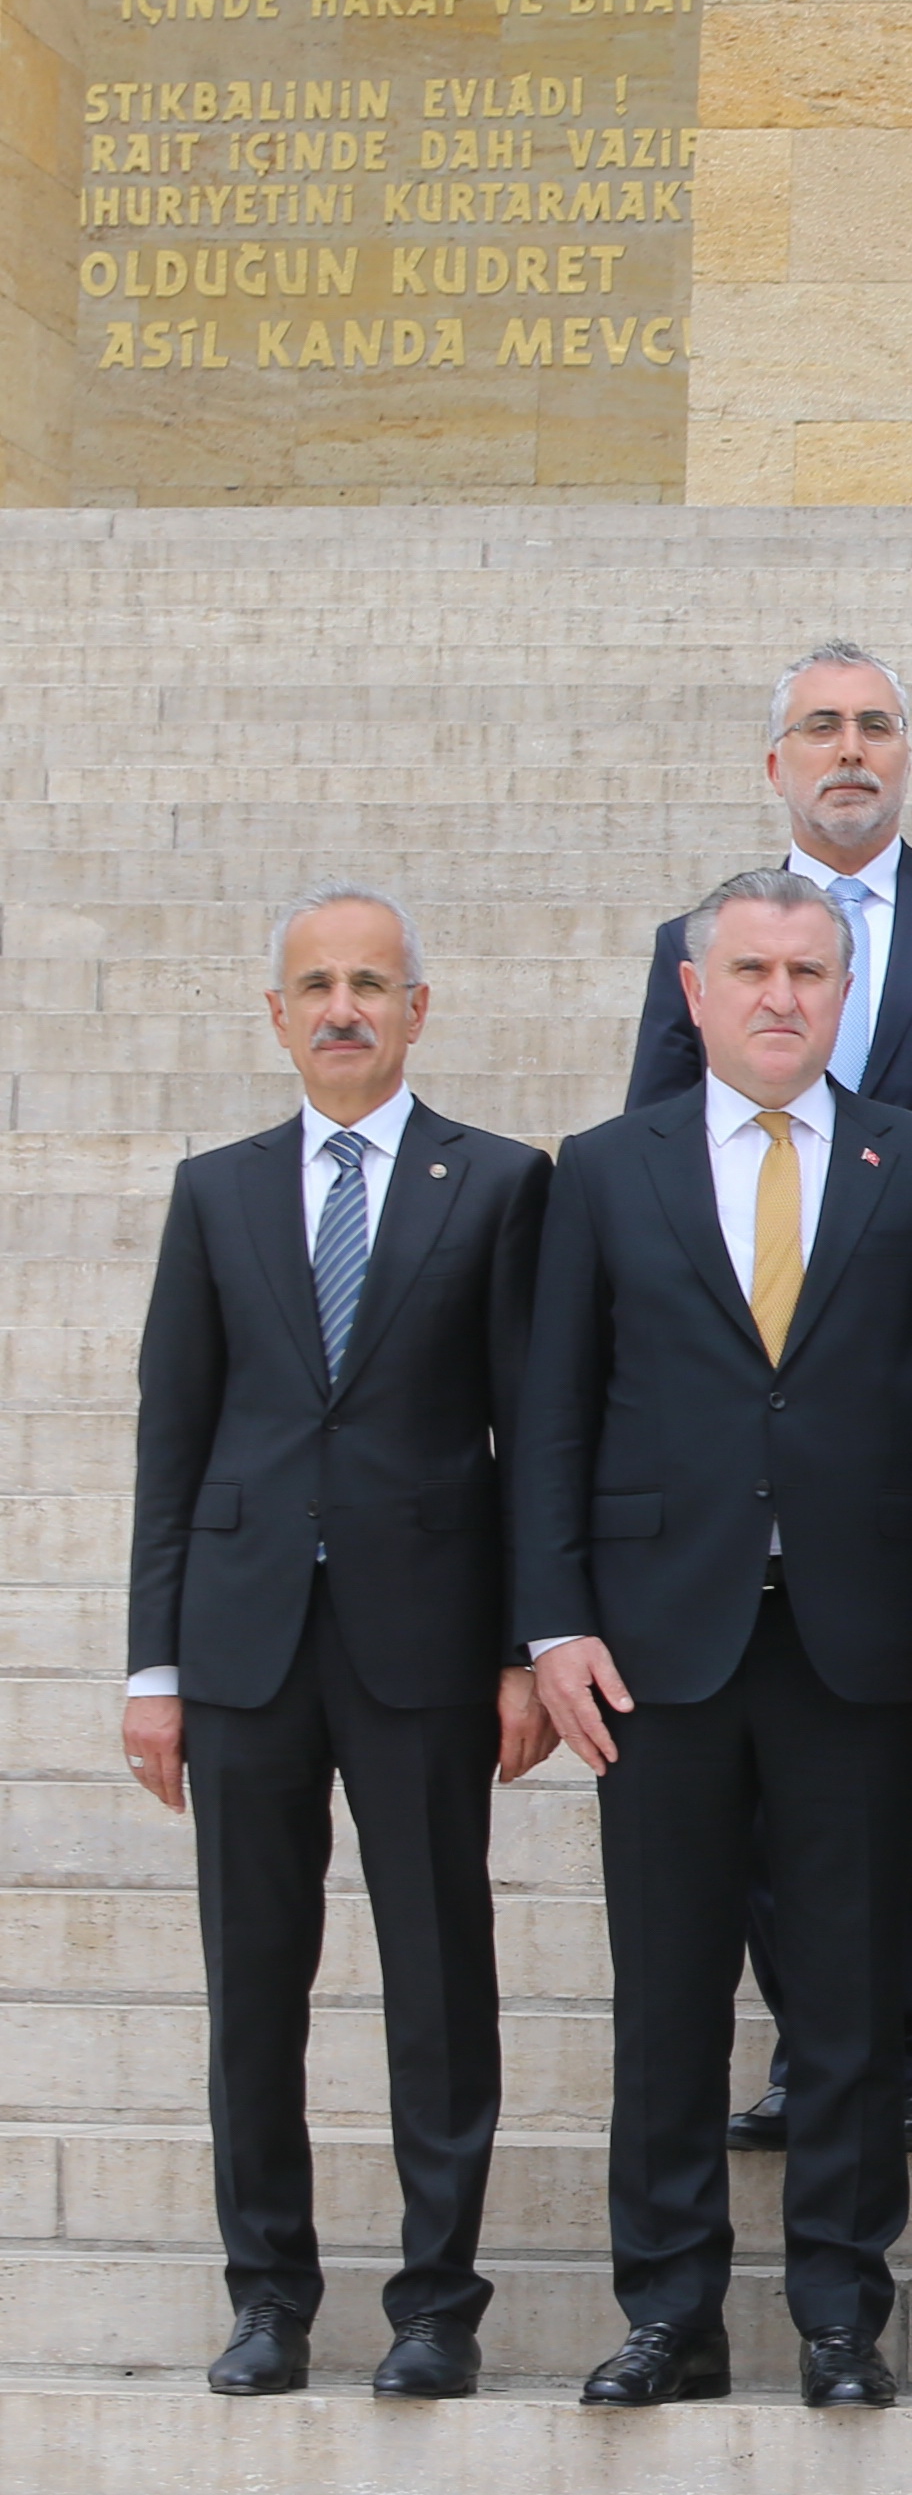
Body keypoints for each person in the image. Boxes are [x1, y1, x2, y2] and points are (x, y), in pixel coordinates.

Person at [520, 872, 912, 2411]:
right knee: (666, 1997)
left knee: (851, 1997)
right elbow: (550, 1419)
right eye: (751, 969)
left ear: (843, 993)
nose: (781, 994)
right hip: (658, 1648)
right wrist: (554, 1621)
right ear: (694, 991)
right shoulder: (601, 1170)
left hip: (858, 1644)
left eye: (808, 970)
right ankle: (670, 2311)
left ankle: (842, 2310)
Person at [633, 642, 912, 2165]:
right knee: (767, 1779)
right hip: (751, 1409)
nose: (850, 749)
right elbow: (652, 1163)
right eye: (820, 728)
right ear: (776, 762)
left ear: (909, 754)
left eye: (876, 726)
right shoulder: (696, 943)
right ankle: (810, 2043)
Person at [127, 889, 552, 2399]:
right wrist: (152, 1669)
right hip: (241, 1647)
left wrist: (522, 1647)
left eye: (372, 982)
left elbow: (532, 1434)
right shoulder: (217, 1190)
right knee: (255, 1978)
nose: (343, 1007)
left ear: (420, 1009)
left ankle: (438, 2303)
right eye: (316, 984)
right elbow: (173, 1436)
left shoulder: (499, 1184)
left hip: (424, 1642)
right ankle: (269, 2296)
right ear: (277, 1013)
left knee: (441, 1970)